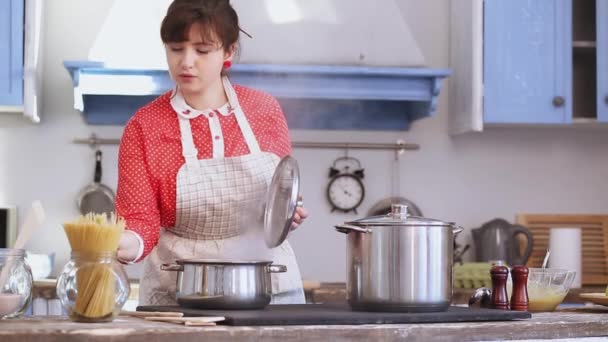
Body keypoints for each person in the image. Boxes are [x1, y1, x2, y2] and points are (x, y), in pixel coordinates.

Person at [115, 0, 308, 306]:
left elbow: (279, 199)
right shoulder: (144, 126)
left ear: (228, 51)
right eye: (176, 48)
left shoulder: (264, 111)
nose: (186, 62)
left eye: (202, 50)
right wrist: (118, 243)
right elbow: (140, 221)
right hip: (178, 296)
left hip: (266, 289)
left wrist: (285, 216)